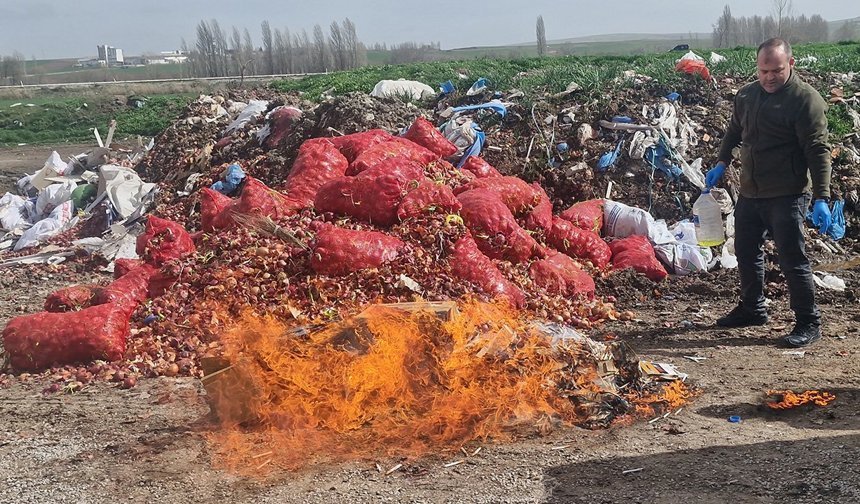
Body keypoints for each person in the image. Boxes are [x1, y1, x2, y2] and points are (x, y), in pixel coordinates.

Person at [706, 37, 831, 348]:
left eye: (776, 70)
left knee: (792, 259)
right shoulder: (747, 95)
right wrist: (722, 161)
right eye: (763, 71)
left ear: (791, 63)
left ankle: (808, 321)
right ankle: (753, 308)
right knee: (746, 251)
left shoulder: (805, 100)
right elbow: (734, 130)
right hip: (750, 192)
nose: (769, 77)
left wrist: (822, 197)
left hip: (787, 194)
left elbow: (818, 150)